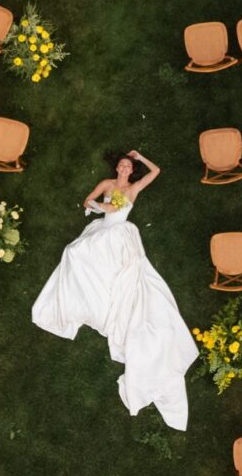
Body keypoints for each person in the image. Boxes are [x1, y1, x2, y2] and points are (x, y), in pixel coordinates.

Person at [30, 149, 199, 430]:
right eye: (121, 164)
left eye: (127, 166)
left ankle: (104, 293)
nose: (123, 169)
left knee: (121, 271)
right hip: (102, 229)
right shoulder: (108, 185)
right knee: (73, 251)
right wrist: (101, 207)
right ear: (116, 168)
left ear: (131, 171)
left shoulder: (133, 187)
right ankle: (82, 291)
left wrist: (141, 157)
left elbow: (156, 172)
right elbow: (88, 200)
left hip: (121, 234)